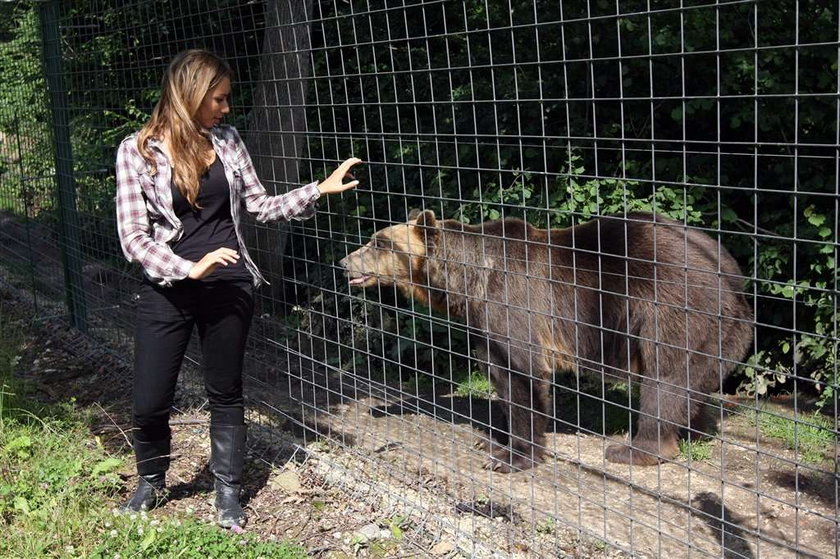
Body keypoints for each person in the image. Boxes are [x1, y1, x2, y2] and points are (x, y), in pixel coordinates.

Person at [115, 48, 361, 528]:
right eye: (219, 99)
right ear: (191, 95)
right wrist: (188, 267)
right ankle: (151, 481)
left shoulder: (227, 140)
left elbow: (260, 206)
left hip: (229, 283)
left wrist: (317, 190)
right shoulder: (137, 150)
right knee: (149, 398)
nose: (226, 109)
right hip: (170, 285)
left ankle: (228, 489)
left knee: (225, 390)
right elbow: (133, 236)